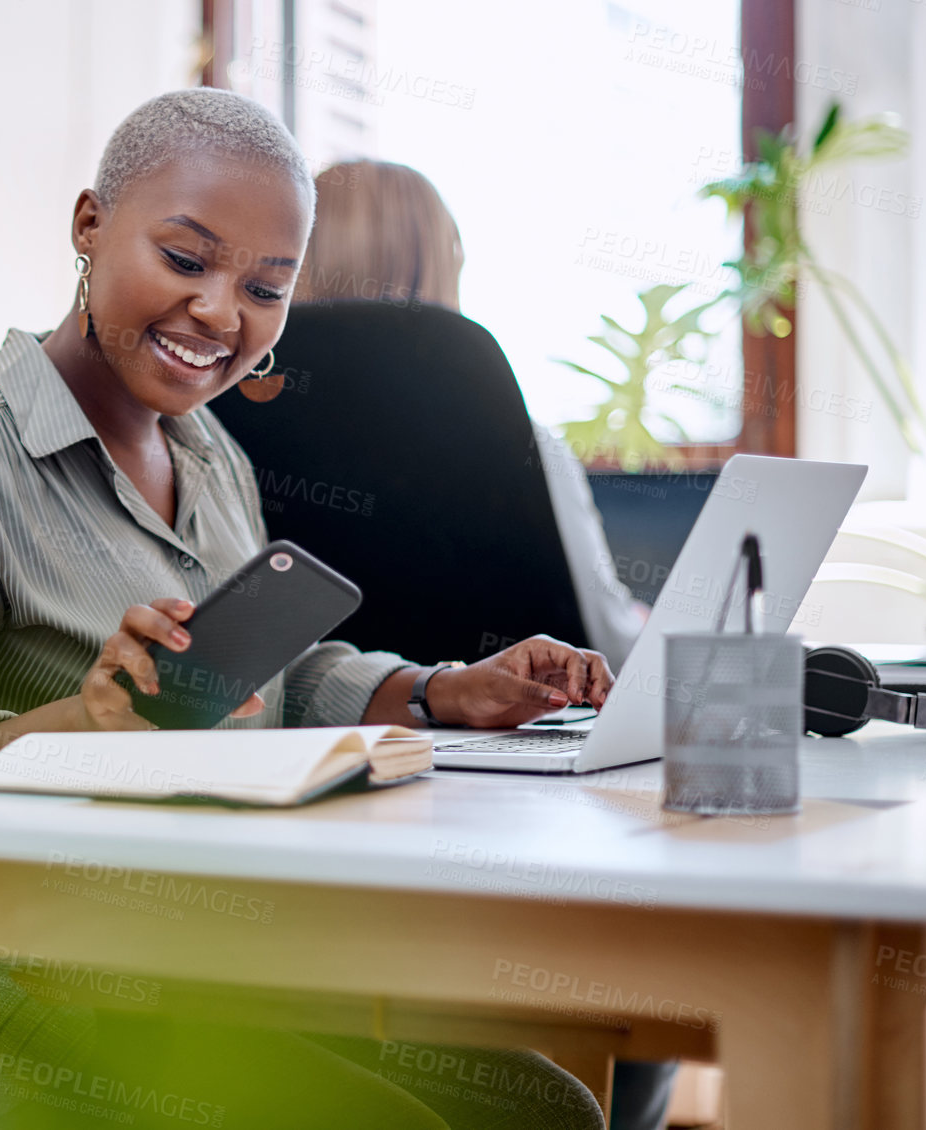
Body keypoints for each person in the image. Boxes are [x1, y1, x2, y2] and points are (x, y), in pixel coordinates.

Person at [0, 88, 612, 1130]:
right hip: (11, 981)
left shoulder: (205, 450)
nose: (221, 314)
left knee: (542, 1107)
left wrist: (436, 691)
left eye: (266, 286)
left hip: (193, 957)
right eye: (187, 260)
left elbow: (267, 674)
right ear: (89, 226)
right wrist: (84, 724)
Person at [298, 158, 675, 1130]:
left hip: (307, 784)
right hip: (505, 797)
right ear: (444, 268)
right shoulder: (513, 431)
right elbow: (597, 635)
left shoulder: (218, 424)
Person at [295, 159, 645, 671]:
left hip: (307, 733)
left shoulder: (231, 419)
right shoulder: (522, 442)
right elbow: (606, 650)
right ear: (444, 263)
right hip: (512, 733)